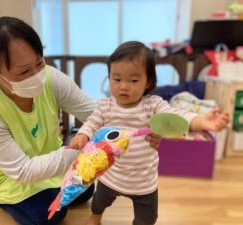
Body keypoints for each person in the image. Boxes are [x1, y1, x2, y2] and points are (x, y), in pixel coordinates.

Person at [0, 17, 160, 225]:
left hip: (46, 155)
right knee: (50, 215)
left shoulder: (51, 78)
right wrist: (93, 147)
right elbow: (22, 170)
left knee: (85, 190)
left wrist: (143, 127)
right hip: (9, 173)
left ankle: (50, 187)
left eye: (39, 62)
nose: (37, 75)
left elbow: (95, 113)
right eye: (24, 71)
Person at [69, 41, 230, 225]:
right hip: (112, 175)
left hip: (143, 181)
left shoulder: (152, 105)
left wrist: (200, 121)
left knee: (148, 219)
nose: (123, 86)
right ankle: (95, 217)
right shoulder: (105, 106)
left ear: (148, 82)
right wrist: (83, 134)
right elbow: (92, 123)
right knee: (98, 202)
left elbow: (174, 115)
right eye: (117, 79)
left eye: (133, 80)